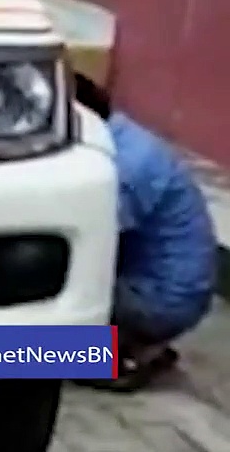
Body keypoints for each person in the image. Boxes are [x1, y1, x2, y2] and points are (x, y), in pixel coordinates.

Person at [74, 74, 217, 391]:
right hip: (162, 287)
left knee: (27, 320)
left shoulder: (121, 166)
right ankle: (129, 348)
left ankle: (120, 354)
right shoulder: (120, 136)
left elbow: (86, 247)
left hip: (157, 299)